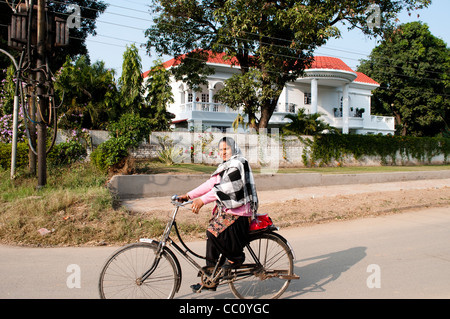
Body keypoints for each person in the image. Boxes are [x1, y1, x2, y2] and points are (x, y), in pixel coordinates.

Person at [177, 137, 259, 292]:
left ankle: (236, 258)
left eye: (226, 149)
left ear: (233, 149)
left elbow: (225, 188)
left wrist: (202, 201)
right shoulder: (225, 166)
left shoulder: (238, 163)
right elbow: (210, 184)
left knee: (213, 232)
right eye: (220, 150)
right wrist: (188, 196)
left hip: (239, 214)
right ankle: (211, 277)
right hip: (228, 212)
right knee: (211, 236)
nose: (223, 152)